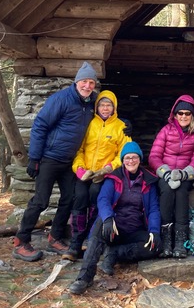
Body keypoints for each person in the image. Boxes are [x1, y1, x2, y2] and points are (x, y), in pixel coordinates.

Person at [12, 61, 98, 262]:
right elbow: (40, 125)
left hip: (69, 161)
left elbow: (106, 115)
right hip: (49, 158)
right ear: (77, 82)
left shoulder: (91, 102)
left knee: (70, 198)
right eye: (84, 81)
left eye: (91, 82)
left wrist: (124, 126)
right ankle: (21, 241)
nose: (87, 86)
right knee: (41, 200)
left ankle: (55, 236)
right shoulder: (61, 99)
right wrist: (34, 158)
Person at [68, 142, 161, 295]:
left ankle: (115, 253)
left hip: (134, 229)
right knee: (98, 227)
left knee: (156, 245)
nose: (131, 161)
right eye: (127, 158)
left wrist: (154, 230)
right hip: (114, 227)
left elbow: (153, 209)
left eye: (134, 157)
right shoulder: (114, 177)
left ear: (140, 159)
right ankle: (84, 277)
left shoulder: (148, 181)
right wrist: (108, 218)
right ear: (123, 160)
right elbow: (103, 199)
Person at [63, 90, 132, 261]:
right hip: (85, 172)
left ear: (114, 107)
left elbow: (123, 154)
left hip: (104, 174)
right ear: (97, 106)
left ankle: (89, 239)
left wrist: (108, 168)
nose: (105, 108)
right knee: (79, 197)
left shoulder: (120, 127)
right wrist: (80, 170)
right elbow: (79, 149)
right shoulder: (89, 124)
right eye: (102, 104)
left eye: (109, 105)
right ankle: (75, 243)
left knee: (96, 196)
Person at [148, 95, 194, 258]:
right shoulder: (166, 130)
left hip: (184, 175)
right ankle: (166, 240)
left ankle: (180, 240)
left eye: (187, 113)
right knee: (166, 192)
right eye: (180, 113)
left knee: (181, 193)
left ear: (192, 115)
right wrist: (165, 172)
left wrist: (185, 173)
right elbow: (154, 156)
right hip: (166, 174)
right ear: (175, 115)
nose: (184, 116)